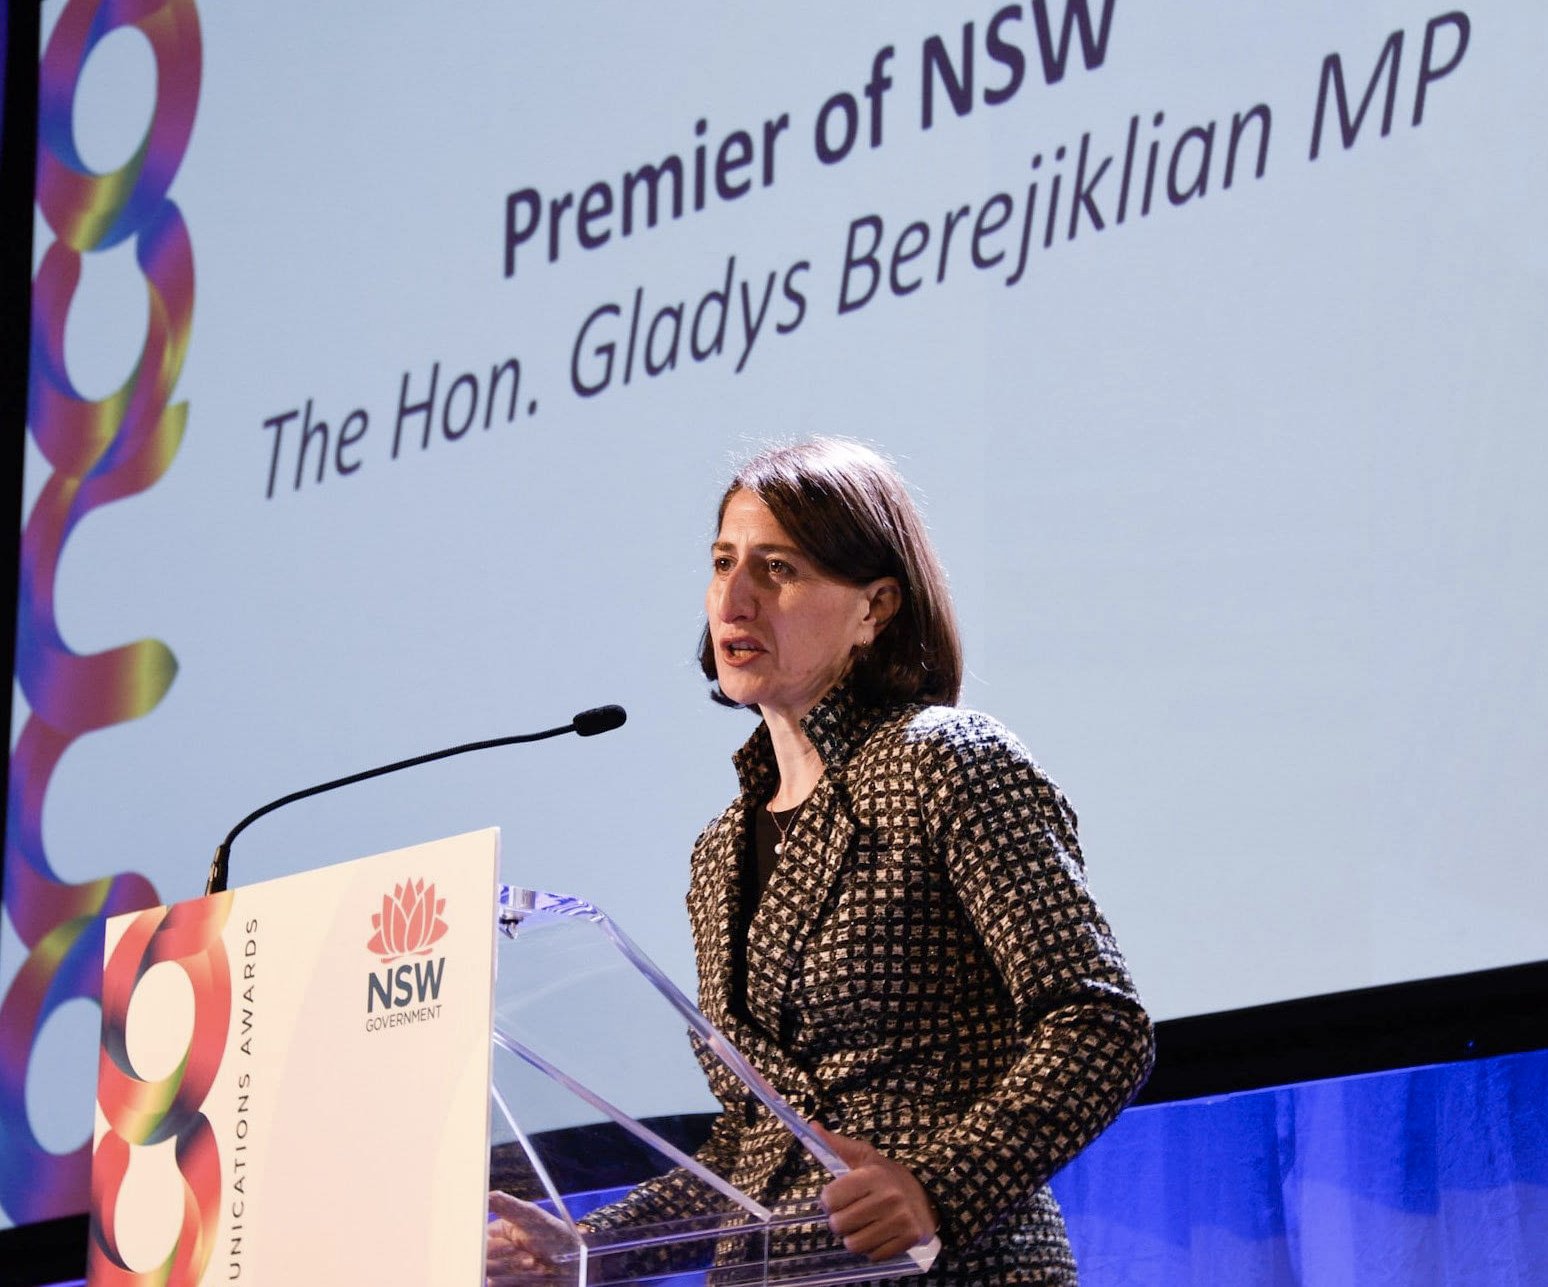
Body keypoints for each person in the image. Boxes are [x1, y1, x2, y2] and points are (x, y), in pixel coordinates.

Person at [491, 438, 1153, 1284]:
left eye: (779, 569)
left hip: (952, 1268)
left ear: (875, 606)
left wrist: (937, 1186)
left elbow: (1098, 1019)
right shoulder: (721, 848)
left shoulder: (944, 763)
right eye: (724, 561)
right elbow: (752, 1140)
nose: (734, 597)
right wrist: (581, 1245)